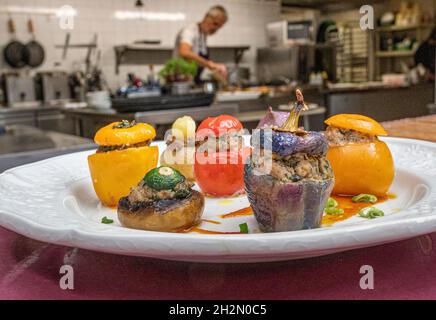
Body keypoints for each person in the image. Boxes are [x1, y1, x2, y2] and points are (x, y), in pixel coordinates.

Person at [174, 5, 228, 83]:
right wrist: (210, 64)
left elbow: (199, 60)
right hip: (180, 83)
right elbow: (184, 52)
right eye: (215, 24)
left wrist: (214, 69)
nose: (215, 29)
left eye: (219, 27)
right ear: (206, 16)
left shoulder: (203, 35)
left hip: (192, 82)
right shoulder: (190, 30)